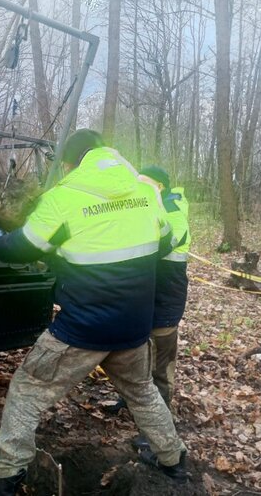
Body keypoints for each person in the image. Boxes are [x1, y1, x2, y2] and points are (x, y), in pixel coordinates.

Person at [0, 129, 188, 496]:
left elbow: (20, 249)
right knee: (143, 392)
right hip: (134, 326)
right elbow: (163, 241)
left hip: (83, 329)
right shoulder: (145, 192)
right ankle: (174, 461)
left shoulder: (62, 198)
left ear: (69, 162)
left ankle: (4, 478)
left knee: (27, 390)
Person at [110, 166, 190, 451]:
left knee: (162, 364)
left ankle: (160, 427)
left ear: (161, 186)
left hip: (166, 299)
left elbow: (164, 243)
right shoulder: (144, 207)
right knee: (138, 354)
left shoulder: (174, 211)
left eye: (147, 184)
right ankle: (131, 401)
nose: (139, 188)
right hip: (145, 296)